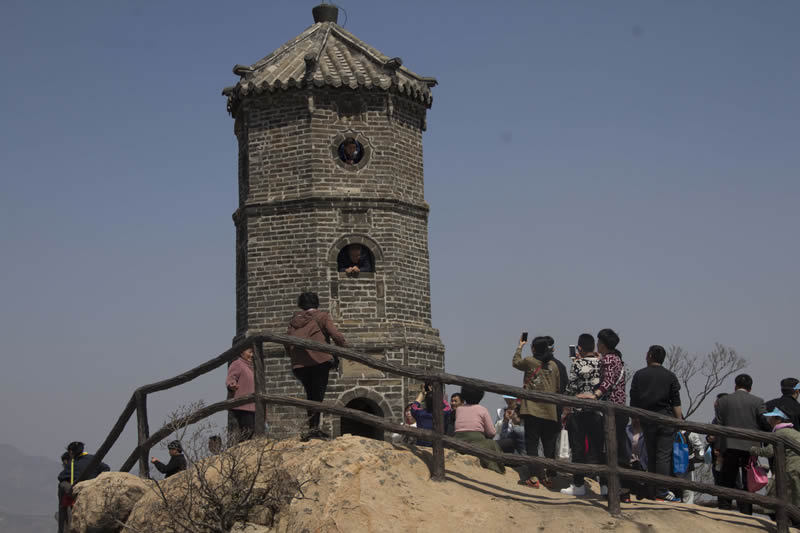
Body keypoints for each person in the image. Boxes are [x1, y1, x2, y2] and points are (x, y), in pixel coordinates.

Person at [577, 328, 631, 502]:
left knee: (610, 449)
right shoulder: (616, 358)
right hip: (620, 409)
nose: (597, 344)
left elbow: (607, 381)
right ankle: (622, 490)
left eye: (599, 341)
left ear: (603, 344)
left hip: (611, 410)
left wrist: (594, 395)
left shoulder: (608, 359)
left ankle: (616, 490)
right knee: (618, 448)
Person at [287, 291, 347, 440]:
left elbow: (286, 342)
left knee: (310, 396)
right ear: (316, 303)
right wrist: (345, 347)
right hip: (319, 361)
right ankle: (314, 430)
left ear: (301, 305)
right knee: (317, 397)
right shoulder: (322, 316)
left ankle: (312, 429)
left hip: (300, 364)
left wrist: (294, 358)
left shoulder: (294, 321)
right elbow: (335, 335)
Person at [629, 344, 683, 501]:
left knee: (651, 455)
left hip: (646, 419)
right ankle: (662, 492)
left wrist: (634, 418)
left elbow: (634, 398)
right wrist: (679, 422)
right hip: (665, 419)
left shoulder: (640, 375)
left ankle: (652, 490)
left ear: (650, 356)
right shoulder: (670, 376)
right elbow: (676, 402)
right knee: (663, 456)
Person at [715, 374, 768, 514]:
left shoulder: (723, 401)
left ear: (735, 386)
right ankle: (746, 510)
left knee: (727, 478)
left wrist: (718, 448)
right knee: (748, 480)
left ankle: (725, 508)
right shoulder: (758, 401)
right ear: (750, 388)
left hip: (728, 445)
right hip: (751, 447)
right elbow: (764, 422)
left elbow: (718, 426)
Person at [513, 335, 561, 488]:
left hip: (532, 409)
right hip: (550, 411)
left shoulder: (530, 361)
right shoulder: (554, 366)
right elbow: (558, 388)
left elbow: (515, 362)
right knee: (548, 445)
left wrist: (520, 346)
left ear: (533, 349)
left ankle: (534, 477)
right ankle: (548, 476)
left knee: (532, 443)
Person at [561, 333, 604, 496]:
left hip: (579, 412)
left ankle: (578, 485)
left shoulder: (577, 364)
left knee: (578, 448)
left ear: (579, 348)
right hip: (598, 412)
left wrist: (566, 404)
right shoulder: (601, 363)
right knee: (599, 449)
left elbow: (571, 387)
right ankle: (605, 486)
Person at [749, 407, 800, 509]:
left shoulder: (780, 433)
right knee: (796, 496)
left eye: (771, 418)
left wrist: (753, 450)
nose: (769, 421)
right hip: (796, 467)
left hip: (790, 468)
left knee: (775, 496)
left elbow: (769, 452)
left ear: (778, 419)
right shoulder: (796, 432)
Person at [453, 385, 505, 474]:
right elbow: (492, 432)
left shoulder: (459, 409)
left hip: (458, 439)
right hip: (477, 441)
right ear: (480, 396)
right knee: (492, 444)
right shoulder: (482, 410)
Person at [226, 346, 259, 441]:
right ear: (241, 353)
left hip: (253, 406)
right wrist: (231, 384)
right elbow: (231, 377)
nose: (252, 355)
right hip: (243, 406)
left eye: (253, 352)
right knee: (247, 432)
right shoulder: (238, 364)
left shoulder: (253, 366)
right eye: (249, 352)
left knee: (253, 433)